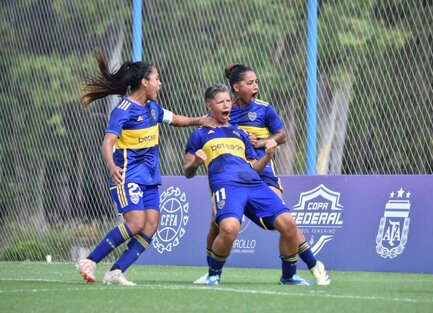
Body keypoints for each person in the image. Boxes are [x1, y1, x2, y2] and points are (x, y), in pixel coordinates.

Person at [75, 48, 216, 286]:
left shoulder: (153, 109)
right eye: (157, 79)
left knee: (151, 226)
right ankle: (89, 261)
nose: (160, 84)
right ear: (144, 82)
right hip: (127, 177)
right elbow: (107, 142)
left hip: (150, 178)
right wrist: (111, 166)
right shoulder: (123, 111)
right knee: (136, 223)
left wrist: (198, 120)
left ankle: (116, 272)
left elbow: (176, 120)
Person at [193, 65, 330, 286]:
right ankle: (211, 272)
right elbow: (207, 127)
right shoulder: (224, 112)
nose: (256, 86)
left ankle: (311, 264)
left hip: (262, 171)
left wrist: (266, 142)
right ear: (236, 87)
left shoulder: (264, 109)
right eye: (250, 83)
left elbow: (282, 134)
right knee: (216, 224)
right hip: (232, 174)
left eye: (256, 82)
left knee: (284, 220)